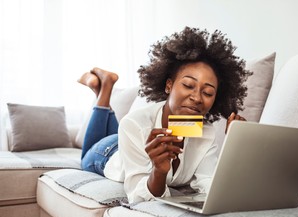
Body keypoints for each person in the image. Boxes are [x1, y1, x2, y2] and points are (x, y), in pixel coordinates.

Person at [78, 27, 251, 203]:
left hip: (128, 136)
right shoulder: (135, 124)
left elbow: (208, 184)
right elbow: (138, 198)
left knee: (123, 130)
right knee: (84, 158)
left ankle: (99, 88)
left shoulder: (204, 131)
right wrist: (159, 172)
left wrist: (235, 148)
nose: (197, 98)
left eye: (207, 93)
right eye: (188, 85)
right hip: (109, 153)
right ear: (169, 85)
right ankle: (105, 88)